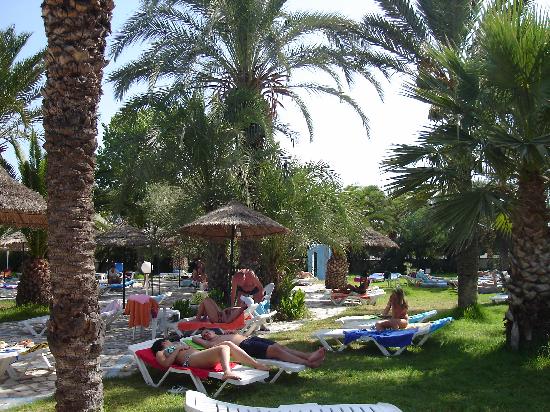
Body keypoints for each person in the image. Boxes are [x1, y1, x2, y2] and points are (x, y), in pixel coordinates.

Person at [194, 329, 326, 368]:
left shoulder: (223, 334)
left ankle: (308, 355)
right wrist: (201, 337)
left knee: (280, 347)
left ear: (213, 331)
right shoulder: (211, 343)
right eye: (204, 335)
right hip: (245, 346)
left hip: (251, 339)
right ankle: (308, 363)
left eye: (207, 331)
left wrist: (232, 332)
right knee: (276, 351)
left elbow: (240, 334)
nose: (206, 334)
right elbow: (194, 338)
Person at [150, 338, 269, 381]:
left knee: (228, 343)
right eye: (168, 340)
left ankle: (256, 364)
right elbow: (165, 364)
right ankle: (227, 372)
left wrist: (180, 347)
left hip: (200, 355)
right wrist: (177, 349)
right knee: (223, 348)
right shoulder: (161, 352)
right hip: (191, 360)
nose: (170, 341)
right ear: (164, 342)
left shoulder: (177, 344)